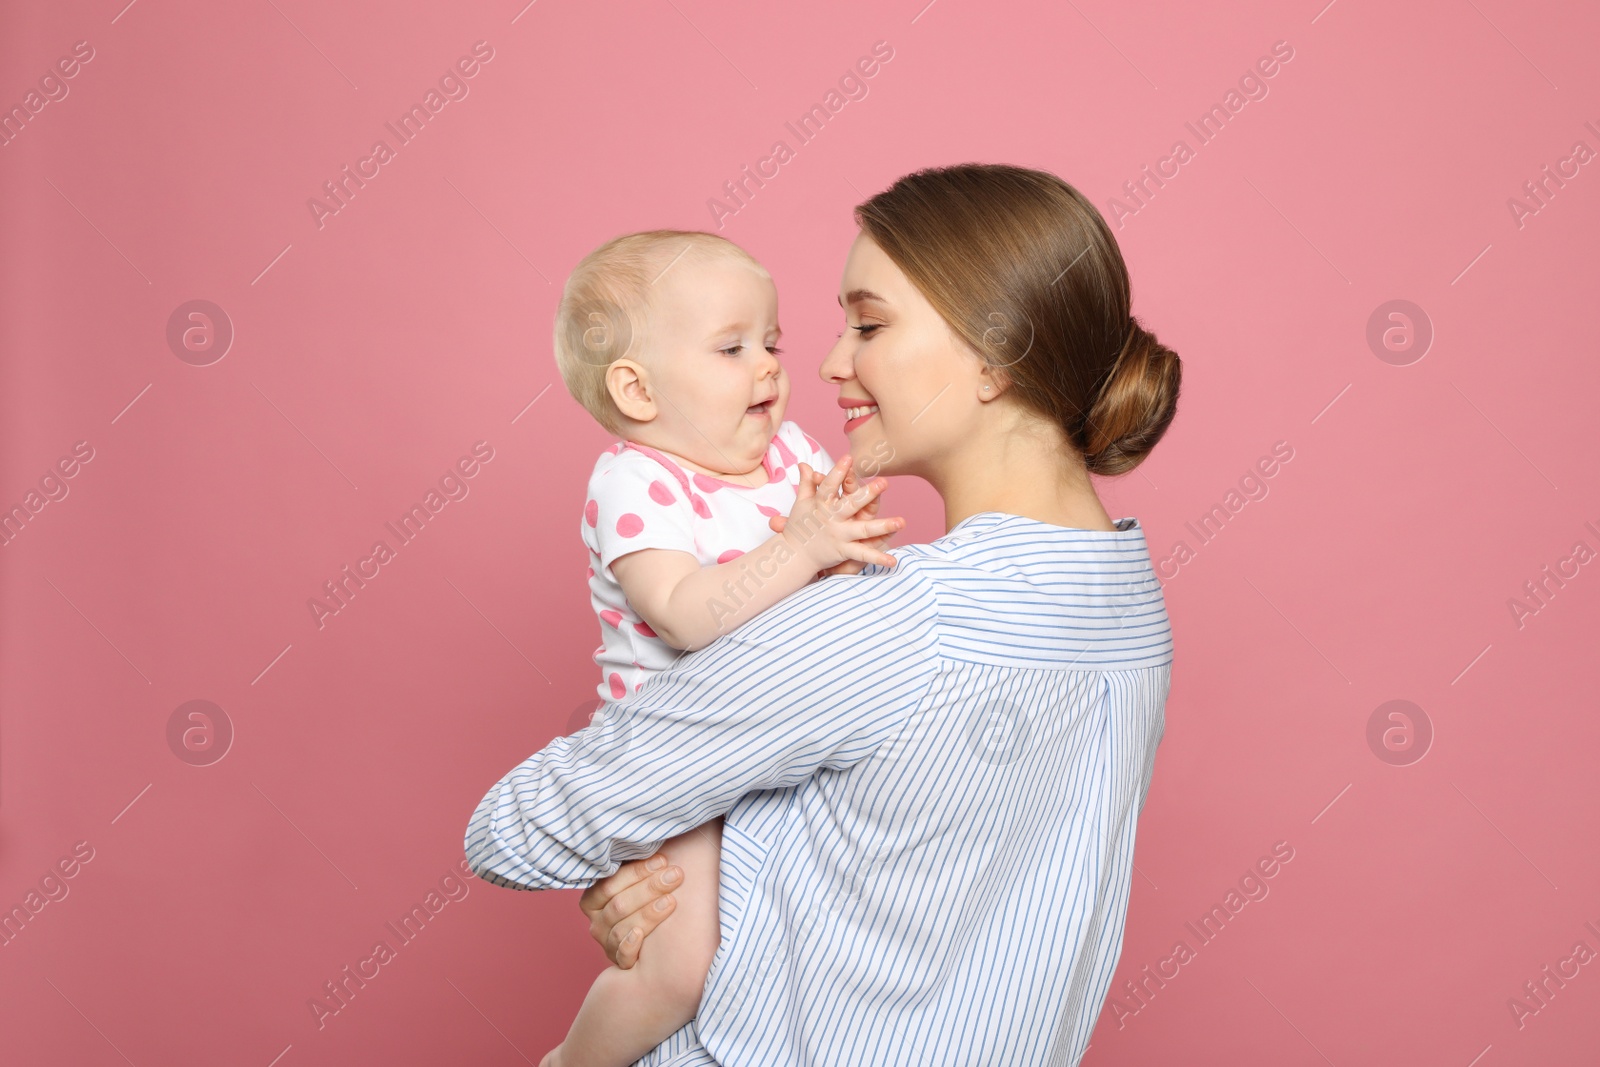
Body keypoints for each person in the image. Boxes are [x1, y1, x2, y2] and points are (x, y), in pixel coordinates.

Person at [465, 161, 1182, 1066]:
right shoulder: (1132, 606)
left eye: (870, 324)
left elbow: (515, 829)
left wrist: (642, 878)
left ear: (998, 354)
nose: (827, 362)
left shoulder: (895, 623)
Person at [545, 228, 905, 1067]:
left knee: (786, 936)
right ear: (637, 389)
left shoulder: (792, 454)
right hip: (675, 753)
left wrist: (850, 550)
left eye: (773, 341)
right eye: (733, 347)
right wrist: (803, 548)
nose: (773, 366)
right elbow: (681, 613)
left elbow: (832, 586)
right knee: (681, 968)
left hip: (778, 741)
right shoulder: (637, 477)